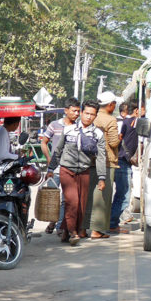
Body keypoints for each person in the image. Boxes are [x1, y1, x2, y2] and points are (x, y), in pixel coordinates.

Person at [47, 99, 104, 246]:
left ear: (96, 115)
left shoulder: (97, 134)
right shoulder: (68, 130)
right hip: (67, 170)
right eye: (86, 113)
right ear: (81, 113)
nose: (88, 117)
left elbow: (101, 157)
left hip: (84, 171)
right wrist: (50, 169)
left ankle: (66, 231)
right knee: (72, 201)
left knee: (81, 206)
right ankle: (74, 233)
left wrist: (102, 178)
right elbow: (57, 151)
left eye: (92, 114)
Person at [41, 98, 80, 235]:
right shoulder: (54, 125)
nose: (76, 114)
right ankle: (54, 221)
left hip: (69, 167)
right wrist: (49, 159)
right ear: (66, 111)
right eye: (74, 111)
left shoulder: (78, 128)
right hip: (55, 167)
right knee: (53, 196)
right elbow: (44, 142)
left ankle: (59, 226)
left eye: (78, 111)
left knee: (66, 199)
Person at [88, 91, 121, 239]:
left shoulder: (91, 117)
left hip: (90, 161)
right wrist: (119, 138)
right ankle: (97, 230)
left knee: (91, 197)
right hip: (107, 161)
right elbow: (113, 142)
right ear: (110, 105)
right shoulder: (110, 120)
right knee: (103, 197)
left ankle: (85, 228)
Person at [111, 99, 139, 233]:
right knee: (123, 195)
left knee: (120, 194)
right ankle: (112, 223)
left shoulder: (123, 122)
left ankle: (113, 223)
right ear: (137, 111)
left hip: (120, 161)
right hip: (122, 162)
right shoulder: (132, 122)